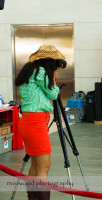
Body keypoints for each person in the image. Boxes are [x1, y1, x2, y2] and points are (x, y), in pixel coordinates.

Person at [15, 44, 66, 200]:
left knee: (35, 166)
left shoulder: (30, 70)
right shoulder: (41, 71)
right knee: (44, 167)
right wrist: (54, 77)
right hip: (36, 123)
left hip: (29, 121)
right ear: (50, 62)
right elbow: (53, 94)